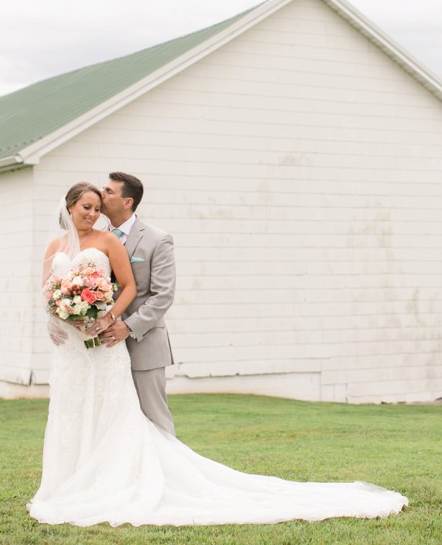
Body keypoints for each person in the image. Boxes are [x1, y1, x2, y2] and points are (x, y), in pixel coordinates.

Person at [28, 181, 408, 527]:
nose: (95, 211)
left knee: (139, 415)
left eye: (101, 202)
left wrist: (112, 317)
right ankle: (74, 480)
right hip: (74, 349)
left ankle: (160, 479)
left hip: (125, 339)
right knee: (74, 411)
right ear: (70, 206)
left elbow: (146, 291)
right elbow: (49, 289)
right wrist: (58, 317)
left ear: (123, 202)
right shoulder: (57, 244)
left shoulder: (130, 240)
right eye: (88, 206)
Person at [96, 171, 177, 435]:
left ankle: (170, 473)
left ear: (127, 201)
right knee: (111, 418)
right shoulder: (94, 239)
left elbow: (163, 295)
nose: (102, 194)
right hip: (104, 346)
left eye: (109, 191)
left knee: (155, 417)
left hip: (145, 342)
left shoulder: (157, 239)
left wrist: (127, 327)